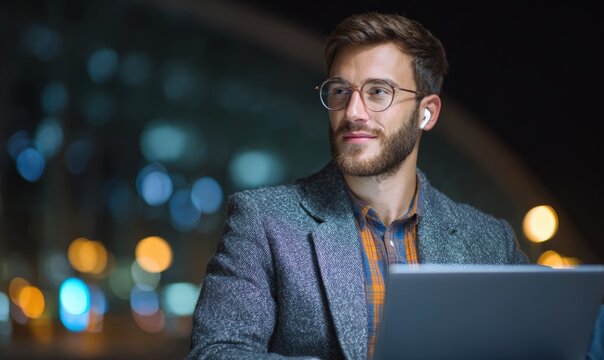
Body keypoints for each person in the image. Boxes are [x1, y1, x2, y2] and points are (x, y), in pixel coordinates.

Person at [187, 11, 531, 359]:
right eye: (340, 91)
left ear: (426, 112)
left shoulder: (490, 243)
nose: (353, 111)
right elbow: (217, 353)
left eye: (378, 92)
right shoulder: (263, 222)